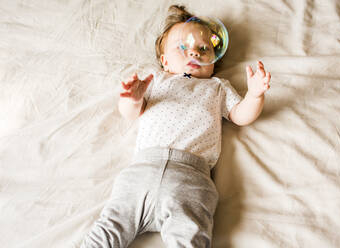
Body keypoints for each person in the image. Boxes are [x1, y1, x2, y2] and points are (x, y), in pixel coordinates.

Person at [81, 5, 270, 248]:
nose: (195, 53)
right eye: (183, 47)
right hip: (141, 172)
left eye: (204, 49)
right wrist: (132, 99)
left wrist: (254, 95)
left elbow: (240, 115)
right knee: (108, 230)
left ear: (214, 59)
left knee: (190, 236)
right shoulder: (155, 79)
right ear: (164, 61)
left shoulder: (217, 87)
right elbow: (130, 114)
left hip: (190, 179)